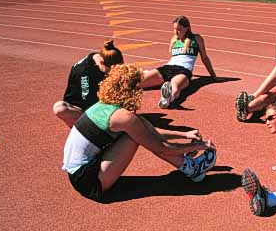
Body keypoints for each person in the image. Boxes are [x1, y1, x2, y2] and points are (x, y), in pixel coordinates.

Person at [62, 64, 217, 201]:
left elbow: (147, 129)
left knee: (137, 129)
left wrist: (184, 135)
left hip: (79, 173)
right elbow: (160, 147)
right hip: (88, 182)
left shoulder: (105, 105)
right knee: (137, 136)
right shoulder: (123, 117)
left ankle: (188, 166)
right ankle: (193, 169)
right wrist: (198, 146)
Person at [142, 16, 217, 109]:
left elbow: (205, 58)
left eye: (179, 29)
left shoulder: (197, 38)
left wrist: (213, 76)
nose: (176, 32)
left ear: (187, 28)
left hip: (184, 70)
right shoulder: (173, 39)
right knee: (140, 82)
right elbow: (174, 57)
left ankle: (167, 99)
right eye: (174, 29)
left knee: (175, 86)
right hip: (168, 68)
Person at [53, 40, 124, 128]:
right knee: (59, 108)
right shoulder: (83, 72)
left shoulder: (105, 59)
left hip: (100, 106)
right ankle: (92, 131)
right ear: (101, 63)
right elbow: (88, 100)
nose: (114, 72)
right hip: (84, 110)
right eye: (111, 70)